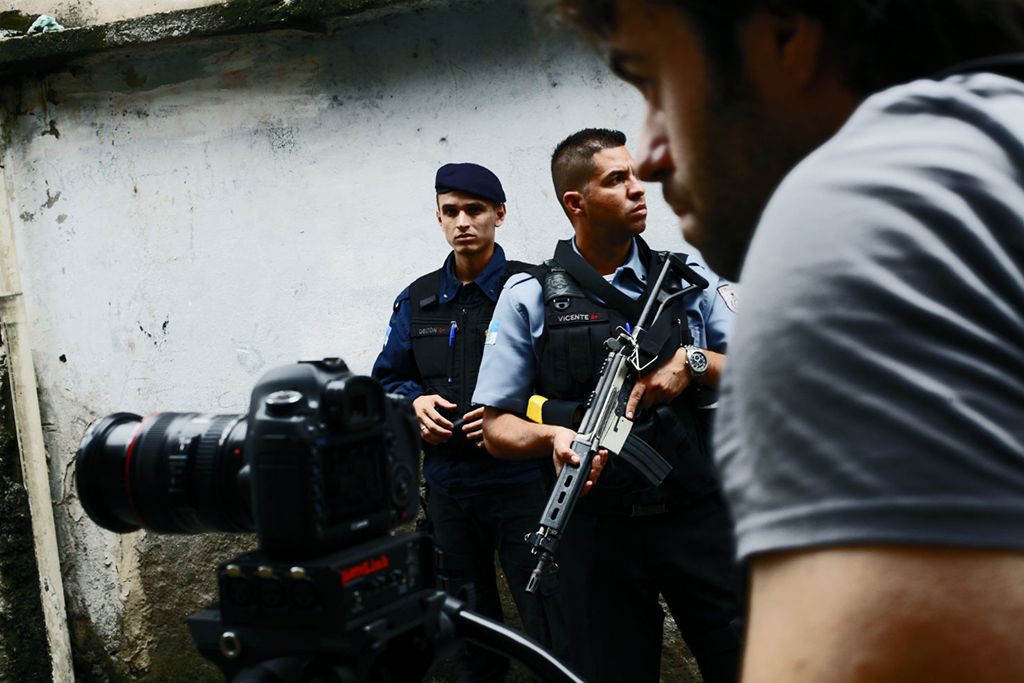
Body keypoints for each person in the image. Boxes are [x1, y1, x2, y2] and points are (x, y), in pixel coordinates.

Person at [555, 0, 1024, 680]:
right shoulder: (993, 151)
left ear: (782, 35)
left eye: (652, 82)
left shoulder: (859, 211)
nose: (651, 157)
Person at [474, 128, 743, 683]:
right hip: (596, 534)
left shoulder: (688, 280)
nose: (639, 188)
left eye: (637, 174)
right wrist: (551, 437)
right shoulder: (529, 295)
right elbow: (495, 425)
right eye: (617, 179)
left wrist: (690, 362)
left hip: (697, 514)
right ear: (577, 203)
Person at [371, 163, 566, 683]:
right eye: (451, 211)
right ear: (437, 217)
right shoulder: (418, 299)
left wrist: (517, 414)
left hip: (523, 485)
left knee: (550, 621)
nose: (463, 222)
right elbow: (386, 379)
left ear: (499, 214)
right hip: (448, 490)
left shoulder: (535, 288)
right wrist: (412, 404)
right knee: (468, 626)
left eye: (475, 210)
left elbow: (565, 380)